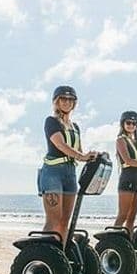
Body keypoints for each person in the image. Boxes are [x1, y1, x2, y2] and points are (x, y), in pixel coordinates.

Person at [38, 86, 97, 246]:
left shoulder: (75, 127)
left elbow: (79, 151)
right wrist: (81, 156)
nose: (67, 102)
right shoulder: (51, 121)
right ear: (56, 101)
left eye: (70, 99)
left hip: (70, 173)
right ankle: (45, 254)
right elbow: (60, 144)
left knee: (64, 221)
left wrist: (91, 156)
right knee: (53, 220)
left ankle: (60, 255)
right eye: (63, 99)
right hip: (53, 173)